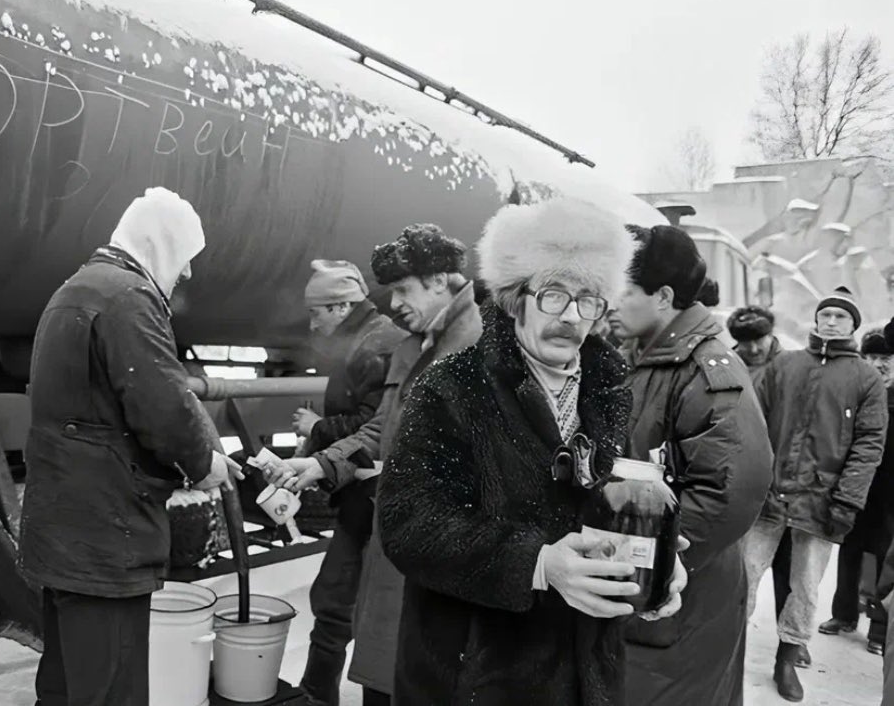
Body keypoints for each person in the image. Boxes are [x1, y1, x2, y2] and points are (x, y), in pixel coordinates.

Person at [377, 199, 686, 705]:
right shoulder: (452, 387)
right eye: (554, 295)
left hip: (584, 671)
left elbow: (613, 510)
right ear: (515, 297)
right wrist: (536, 563)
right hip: (477, 675)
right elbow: (407, 521)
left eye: (589, 299)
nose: (571, 316)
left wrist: (656, 560)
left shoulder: (606, 392)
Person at [19, 188, 237, 706]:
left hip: (66, 531)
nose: (185, 274)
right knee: (111, 689)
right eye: (184, 258)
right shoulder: (128, 298)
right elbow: (162, 404)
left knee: (66, 685)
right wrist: (203, 462)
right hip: (105, 539)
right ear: (160, 245)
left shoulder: (76, 288)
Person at [267, 223, 481, 705]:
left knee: (426, 669)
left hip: (443, 542)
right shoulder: (412, 348)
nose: (395, 302)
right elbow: (379, 431)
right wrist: (319, 465)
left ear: (442, 280)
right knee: (383, 663)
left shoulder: (482, 351)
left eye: (404, 289)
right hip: (395, 527)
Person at [608, 224, 772, 706]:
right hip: (638, 583)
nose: (609, 302)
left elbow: (731, 491)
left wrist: (654, 561)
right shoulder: (642, 359)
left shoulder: (705, 372)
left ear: (662, 296)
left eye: (622, 290)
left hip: (681, 591)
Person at [746, 286, 888, 702]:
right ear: (815, 320)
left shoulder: (865, 378)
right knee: (744, 575)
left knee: (805, 587)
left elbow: (868, 444)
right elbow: (753, 423)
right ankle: (729, 645)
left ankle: (786, 659)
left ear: (853, 326)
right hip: (768, 496)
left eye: (840, 317)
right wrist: (752, 481)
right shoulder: (785, 365)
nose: (830, 322)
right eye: (825, 315)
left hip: (822, 501)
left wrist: (848, 499)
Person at [291, 259, 405, 706]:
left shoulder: (375, 346)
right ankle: (317, 690)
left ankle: (321, 692)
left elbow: (377, 426)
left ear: (340, 307)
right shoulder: (367, 339)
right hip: (359, 488)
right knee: (335, 596)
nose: (312, 321)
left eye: (317, 311)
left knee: (347, 601)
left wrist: (318, 429)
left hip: (373, 492)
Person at [727, 305, 806, 664]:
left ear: (770, 334)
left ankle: (789, 645)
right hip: (745, 476)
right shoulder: (731, 363)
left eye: (759, 339)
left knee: (790, 569)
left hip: (790, 477)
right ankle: (732, 635)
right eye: (745, 342)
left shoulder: (790, 365)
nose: (754, 349)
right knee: (745, 565)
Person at [820, 326, 894, 656]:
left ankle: (879, 629)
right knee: (848, 549)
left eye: (886, 358)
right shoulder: (861, 392)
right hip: (859, 485)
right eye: (872, 357)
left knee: (884, 560)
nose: (878, 364)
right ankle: (844, 615)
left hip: (890, 493)